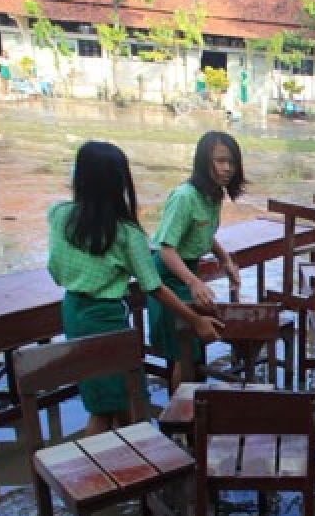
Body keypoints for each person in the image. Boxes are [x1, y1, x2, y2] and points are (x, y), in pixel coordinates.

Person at [48, 141, 222, 435]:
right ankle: (115, 474)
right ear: (121, 183)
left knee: (101, 403)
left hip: (73, 311)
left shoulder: (60, 215)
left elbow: (54, 267)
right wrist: (195, 320)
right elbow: (155, 287)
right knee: (115, 408)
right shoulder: (126, 234)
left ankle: (117, 470)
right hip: (106, 320)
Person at [148, 131, 244, 388]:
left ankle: (196, 401)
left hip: (188, 270)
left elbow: (205, 232)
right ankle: (181, 415)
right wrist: (193, 282)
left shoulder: (213, 195)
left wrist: (225, 261)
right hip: (168, 276)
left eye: (232, 162)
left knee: (199, 338)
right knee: (184, 353)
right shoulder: (184, 197)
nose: (227, 168)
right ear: (203, 162)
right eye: (220, 161)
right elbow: (166, 249)